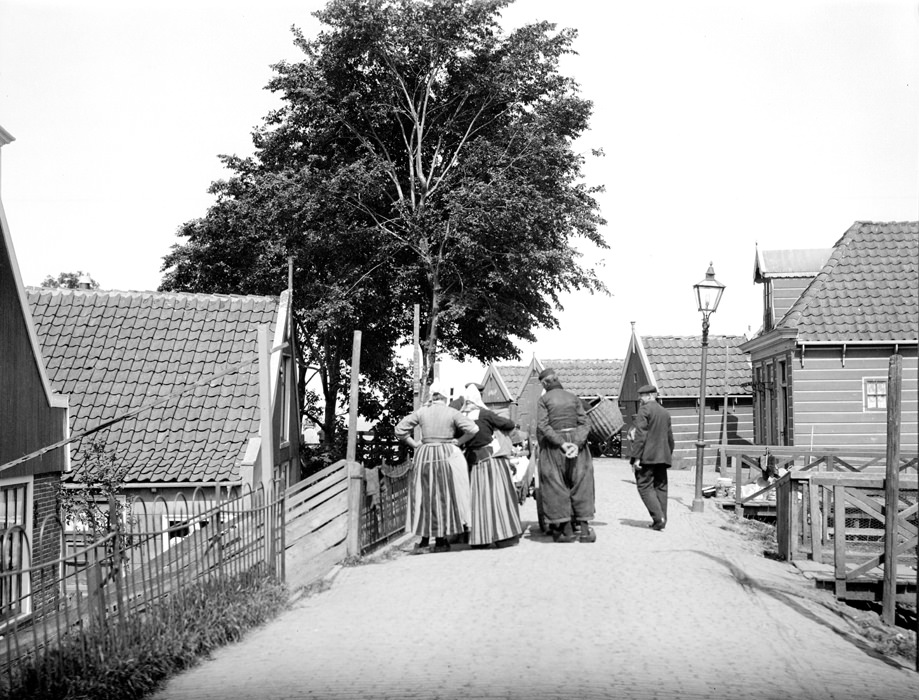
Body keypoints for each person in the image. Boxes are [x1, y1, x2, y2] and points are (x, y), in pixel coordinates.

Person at [395, 381, 479, 553]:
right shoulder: (452, 412)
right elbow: (473, 428)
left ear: (432, 395)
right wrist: (458, 441)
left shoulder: (422, 412)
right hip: (444, 455)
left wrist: (415, 444)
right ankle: (441, 540)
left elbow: (399, 429)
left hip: (425, 455)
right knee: (443, 496)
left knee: (425, 496)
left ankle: (425, 540)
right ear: (445, 396)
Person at [535, 368, 596, 543]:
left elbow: (543, 426)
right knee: (581, 483)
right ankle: (585, 532)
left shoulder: (543, 400)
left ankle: (566, 532)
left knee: (556, 485)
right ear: (557, 379)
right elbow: (585, 423)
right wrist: (575, 444)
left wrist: (562, 444)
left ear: (544, 384)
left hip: (555, 447)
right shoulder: (573, 397)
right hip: (578, 446)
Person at [460, 384, 523, 549]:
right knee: (498, 497)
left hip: (471, 462)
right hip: (491, 460)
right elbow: (508, 424)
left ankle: (481, 538)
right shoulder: (485, 414)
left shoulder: (459, 416)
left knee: (477, 500)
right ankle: (503, 537)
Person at [629, 384, 674, 531]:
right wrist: (668, 454)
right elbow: (670, 438)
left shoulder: (644, 410)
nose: (640, 399)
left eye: (642, 396)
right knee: (661, 488)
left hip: (647, 457)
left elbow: (640, 435)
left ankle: (658, 517)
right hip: (663, 457)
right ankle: (661, 520)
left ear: (650, 396)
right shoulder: (665, 412)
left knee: (644, 486)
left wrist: (636, 457)